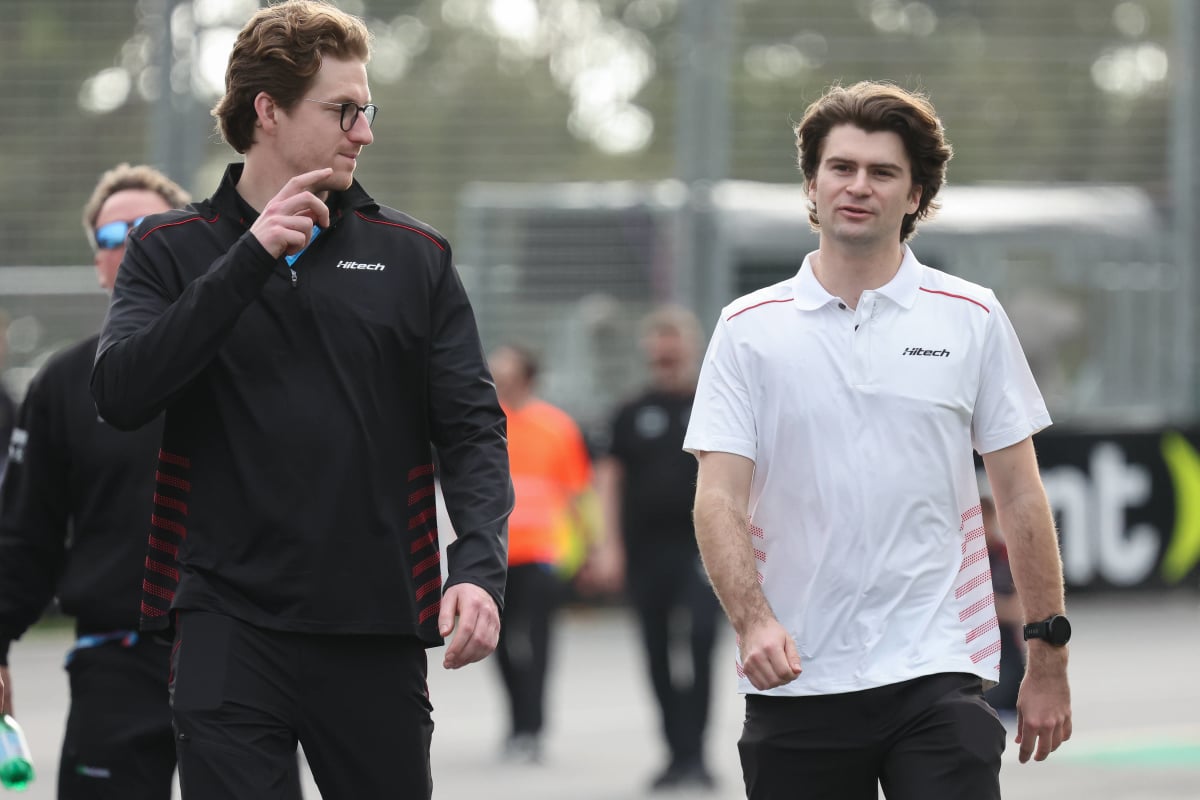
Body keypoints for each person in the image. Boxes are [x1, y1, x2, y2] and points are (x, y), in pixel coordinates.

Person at [87, 2, 513, 798]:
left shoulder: (414, 256)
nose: (365, 132)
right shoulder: (167, 250)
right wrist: (249, 258)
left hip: (376, 621)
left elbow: (473, 430)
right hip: (224, 622)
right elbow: (121, 393)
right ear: (268, 111)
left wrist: (480, 567)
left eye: (367, 109)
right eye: (343, 110)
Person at [683, 80, 1072, 799]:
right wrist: (753, 622)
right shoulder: (747, 329)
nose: (858, 186)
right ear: (813, 183)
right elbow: (718, 498)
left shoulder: (971, 316)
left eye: (883, 172)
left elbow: (1020, 494)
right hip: (796, 677)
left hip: (937, 671)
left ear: (916, 194)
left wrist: (1047, 654)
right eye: (842, 167)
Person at [0, 163, 202, 800]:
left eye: (147, 228)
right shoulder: (64, 383)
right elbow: (26, 532)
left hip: (234, 653)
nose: (130, 244)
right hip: (114, 657)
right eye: (112, 235)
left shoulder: (239, 355)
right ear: (97, 261)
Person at [593, 305, 721, 791]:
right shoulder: (629, 411)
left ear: (690, 351)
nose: (667, 359)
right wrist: (609, 547)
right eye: (660, 351)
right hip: (646, 550)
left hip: (701, 550)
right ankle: (675, 751)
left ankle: (698, 752)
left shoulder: (713, 405)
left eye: (675, 350)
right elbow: (609, 481)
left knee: (702, 640)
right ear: (650, 353)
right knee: (655, 649)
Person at [487, 343, 598, 764]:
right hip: (494, 558)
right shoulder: (483, 423)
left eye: (508, 376)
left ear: (528, 379)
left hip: (542, 555)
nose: (500, 383)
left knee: (537, 645)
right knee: (495, 643)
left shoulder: (556, 427)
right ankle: (517, 722)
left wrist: (590, 550)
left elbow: (577, 495)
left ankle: (531, 728)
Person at [980, 494, 1026, 718]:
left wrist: (983, 604)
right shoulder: (962, 555)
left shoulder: (1007, 555)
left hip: (1005, 649)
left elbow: (1019, 609)